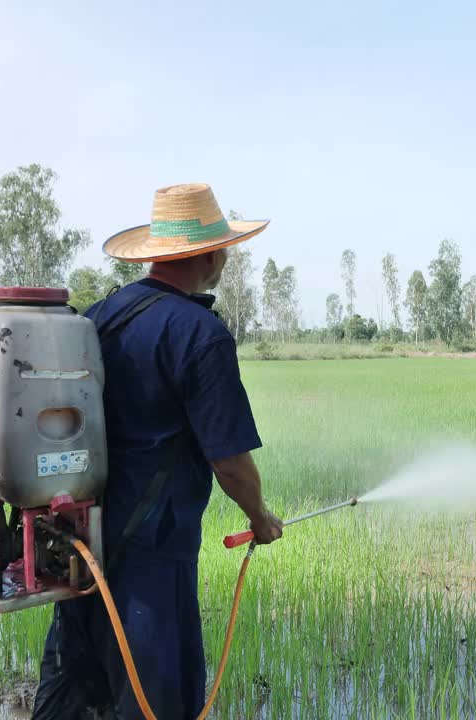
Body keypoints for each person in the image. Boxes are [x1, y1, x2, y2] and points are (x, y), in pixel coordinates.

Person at [33, 183, 284, 719]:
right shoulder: (200, 334)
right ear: (212, 254)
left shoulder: (98, 316)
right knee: (159, 704)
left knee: (71, 700)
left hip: (80, 545)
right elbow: (230, 461)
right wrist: (259, 518)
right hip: (151, 559)